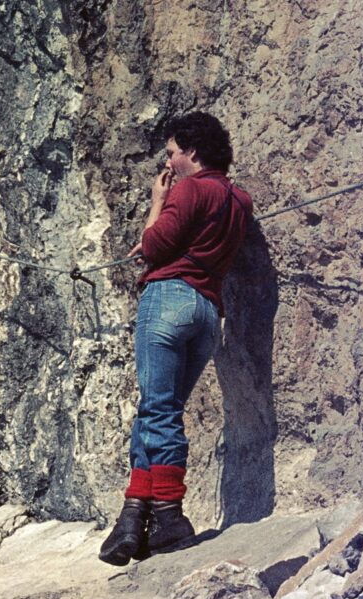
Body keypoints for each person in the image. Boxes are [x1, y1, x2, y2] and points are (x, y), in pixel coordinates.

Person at [99, 112, 253, 565]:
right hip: (207, 312)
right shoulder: (238, 200)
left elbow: (155, 245)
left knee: (157, 409)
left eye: (172, 153)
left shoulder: (188, 188)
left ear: (192, 152)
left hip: (168, 298)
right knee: (159, 410)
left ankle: (167, 514)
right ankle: (132, 519)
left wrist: (156, 203)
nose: (169, 162)